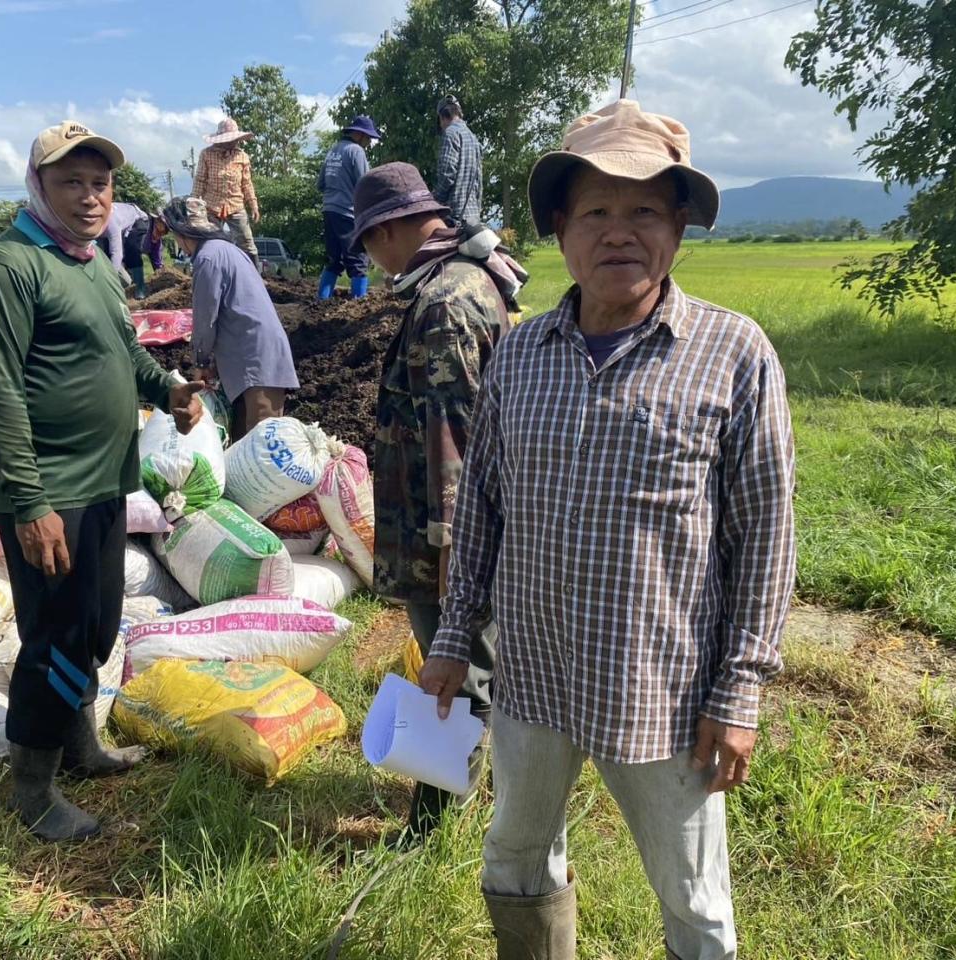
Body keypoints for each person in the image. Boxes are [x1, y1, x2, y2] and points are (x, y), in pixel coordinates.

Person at [421, 100, 796, 959]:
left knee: (695, 899)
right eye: (596, 210)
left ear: (678, 229)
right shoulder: (520, 353)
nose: (618, 232)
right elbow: (479, 508)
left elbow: (767, 538)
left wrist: (739, 693)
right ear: (561, 227)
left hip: (661, 692)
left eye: (645, 211)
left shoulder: (733, 354)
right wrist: (450, 640)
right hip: (534, 674)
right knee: (516, 857)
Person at [0, 120, 206, 842]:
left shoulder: (94, 263)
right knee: (54, 636)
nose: (91, 196)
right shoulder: (5, 269)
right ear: (39, 186)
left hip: (101, 484)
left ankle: (82, 745)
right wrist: (29, 502)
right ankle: (32, 788)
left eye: (100, 183)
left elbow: (124, 353)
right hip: (48, 491)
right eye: (72, 181)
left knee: (95, 625)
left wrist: (170, 391)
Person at [350, 161, 526, 841]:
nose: (372, 257)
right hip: (456, 528)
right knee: (477, 666)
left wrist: (454, 552)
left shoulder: (446, 302)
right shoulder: (466, 279)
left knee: (457, 674)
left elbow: (454, 433)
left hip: (443, 536)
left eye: (371, 241)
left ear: (393, 229)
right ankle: (483, 793)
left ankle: (434, 823)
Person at [162, 196, 298, 441]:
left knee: (261, 444)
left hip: (256, 358)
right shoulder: (227, 250)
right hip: (254, 355)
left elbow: (205, 320)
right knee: (245, 443)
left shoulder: (207, 259)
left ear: (180, 232)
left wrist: (201, 363)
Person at [316, 115, 381, 300]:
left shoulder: (333, 150)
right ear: (360, 135)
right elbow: (365, 184)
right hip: (347, 214)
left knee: (334, 260)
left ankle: (321, 302)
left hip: (329, 211)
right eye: (369, 138)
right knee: (358, 261)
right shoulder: (356, 151)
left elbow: (320, 184)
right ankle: (359, 304)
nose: (369, 142)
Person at [192, 118, 260, 267]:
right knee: (209, 241)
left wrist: (253, 205)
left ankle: (255, 276)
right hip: (212, 205)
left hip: (235, 205)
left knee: (247, 242)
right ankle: (206, 272)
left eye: (234, 139)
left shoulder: (242, 156)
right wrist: (194, 203)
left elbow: (247, 183)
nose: (232, 142)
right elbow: (200, 180)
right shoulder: (206, 155)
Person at [433, 95, 483, 227]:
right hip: (473, 217)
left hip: (454, 217)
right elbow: (479, 182)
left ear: (442, 117)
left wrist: (433, 202)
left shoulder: (450, 134)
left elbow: (447, 174)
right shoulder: (474, 139)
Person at [98, 201, 164, 297]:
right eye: (159, 230)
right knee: (105, 256)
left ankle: (139, 289)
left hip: (136, 219)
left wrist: (161, 276)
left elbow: (117, 254)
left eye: (162, 232)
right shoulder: (87, 225)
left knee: (132, 248)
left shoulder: (112, 224)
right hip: (120, 228)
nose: (159, 234)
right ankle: (125, 284)